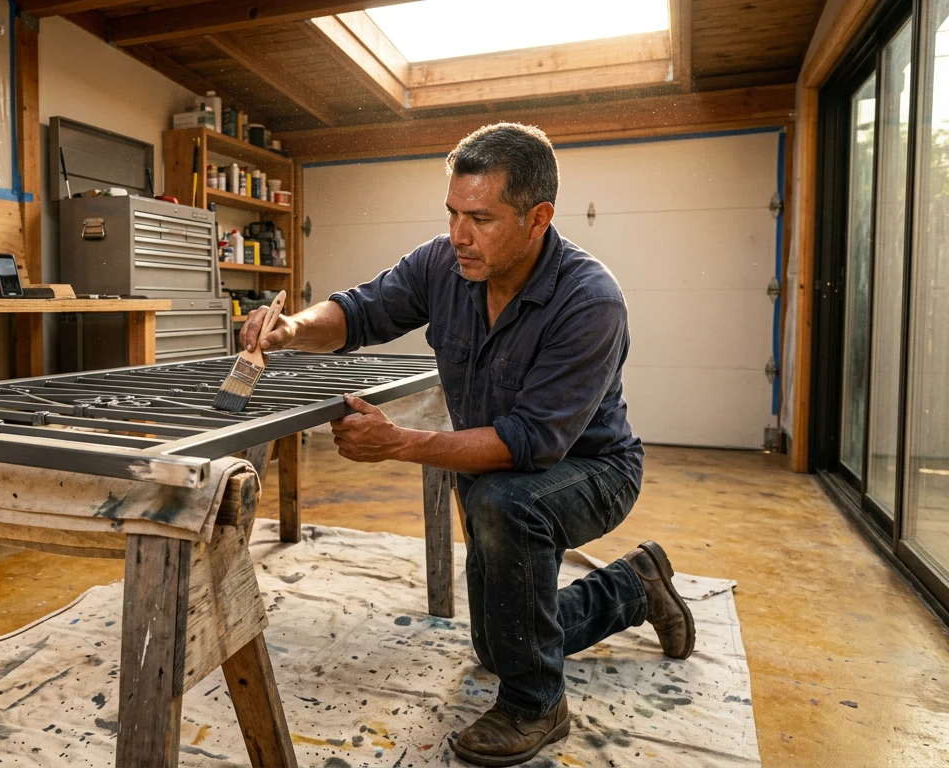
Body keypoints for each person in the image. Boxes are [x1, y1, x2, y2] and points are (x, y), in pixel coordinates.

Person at [238, 123, 696, 767]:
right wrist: (291, 328)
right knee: (496, 640)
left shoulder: (590, 300)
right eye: (452, 213)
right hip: (497, 475)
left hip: (590, 470)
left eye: (480, 218)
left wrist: (397, 442)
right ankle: (634, 587)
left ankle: (535, 704)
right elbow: (361, 310)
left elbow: (531, 442)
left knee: (505, 505)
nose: (459, 235)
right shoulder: (445, 265)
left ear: (539, 219)